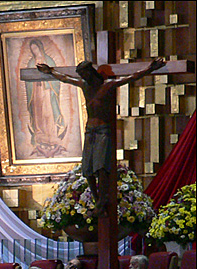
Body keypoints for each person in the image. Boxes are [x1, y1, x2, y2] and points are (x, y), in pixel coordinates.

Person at [36, 58, 166, 216]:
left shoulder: (108, 86)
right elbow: (64, 78)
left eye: (85, 75)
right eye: (81, 76)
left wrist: (150, 68)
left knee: (101, 167)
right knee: (87, 169)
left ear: (91, 72)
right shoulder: (84, 86)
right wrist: (50, 71)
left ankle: (102, 200)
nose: (83, 78)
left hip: (103, 130)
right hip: (90, 130)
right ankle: (97, 200)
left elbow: (132, 77)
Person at [25, 39, 66, 158]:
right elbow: (27, 80)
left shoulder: (49, 61)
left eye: (36, 48)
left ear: (40, 48)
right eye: (33, 50)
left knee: (49, 112)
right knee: (39, 114)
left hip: (48, 91)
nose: (35, 51)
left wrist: (47, 83)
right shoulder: (31, 62)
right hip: (36, 92)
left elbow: (56, 78)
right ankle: (40, 134)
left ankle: (51, 134)